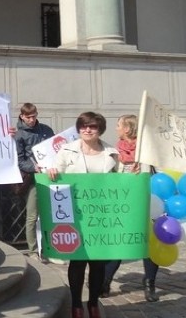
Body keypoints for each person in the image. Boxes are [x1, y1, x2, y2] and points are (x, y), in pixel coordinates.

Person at [47, 111, 118, 318]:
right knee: (77, 260)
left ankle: (93, 303)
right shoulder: (66, 150)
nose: (87, 130)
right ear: (78, 129)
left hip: (101, 215)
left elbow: (120, 182)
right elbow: (55, 176)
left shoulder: (111, 153)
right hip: (75, 214)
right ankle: (77, 304)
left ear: (99, 129)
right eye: (83, 126)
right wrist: (51, 172)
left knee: (98, 262)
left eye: (93, 126)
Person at [101, 114, 160, 302]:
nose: (116, 128)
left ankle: (149, 283)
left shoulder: (148, 152)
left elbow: (160, 177)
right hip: (122, 204)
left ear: (127, 129)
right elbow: (107, 176)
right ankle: (105, 282)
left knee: (150, 244)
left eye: (119, 125)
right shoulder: (113, 151)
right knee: (119, 242)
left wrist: (142, 171)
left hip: (147, 203)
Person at [14, 103, 54, 258]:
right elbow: (19, 160)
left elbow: (55, 148)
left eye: (34, 116)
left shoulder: (46, 130)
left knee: (49, 215)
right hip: (32, 179)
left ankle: (50, 248)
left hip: (50, 175)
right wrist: (33, 167)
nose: (31, 119)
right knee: (32, 215)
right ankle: (33, 251)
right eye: (28, 117)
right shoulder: (19, 135)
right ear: (22, 116)